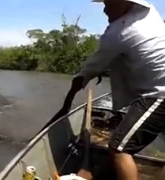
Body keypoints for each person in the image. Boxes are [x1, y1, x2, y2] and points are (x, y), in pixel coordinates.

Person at [71, 0, 165, 180]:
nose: (105, 10)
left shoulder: (117, 32)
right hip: (156, 90)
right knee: (124, 142)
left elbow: (94, 65)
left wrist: (80, 80)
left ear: (124, 3)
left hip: (159, 94)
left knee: (119, 148)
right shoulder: (149, 13)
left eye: (110, 4)